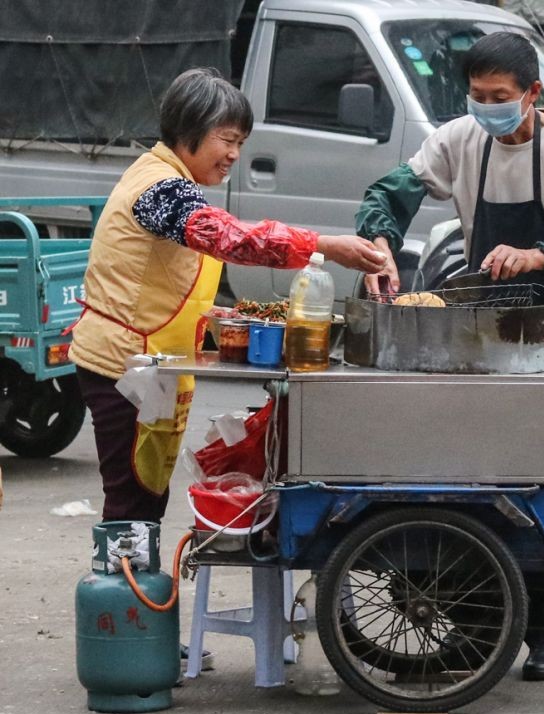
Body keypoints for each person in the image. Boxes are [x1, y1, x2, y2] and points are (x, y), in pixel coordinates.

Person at [353, 32, 544, 680]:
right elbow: (390, 193)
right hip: (482, 335)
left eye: (499, 98)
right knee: (476, 482)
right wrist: (379, 246)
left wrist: (541, 255)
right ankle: (476, 630)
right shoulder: (460, 141)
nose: (487, 109)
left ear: (532, 94)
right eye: (477, 97)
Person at [70, 68, 387, 525]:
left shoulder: (173, 182)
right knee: (130, 503)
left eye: (240, 142)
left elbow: (172, 280)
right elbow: (232, 239)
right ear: (190, 131)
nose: (235, 154)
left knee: (146, 498)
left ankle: (140, 588)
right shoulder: (160, 188)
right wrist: (323, 246)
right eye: (228, 140)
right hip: (124, 367)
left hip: (153, 367)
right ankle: (125, 592)